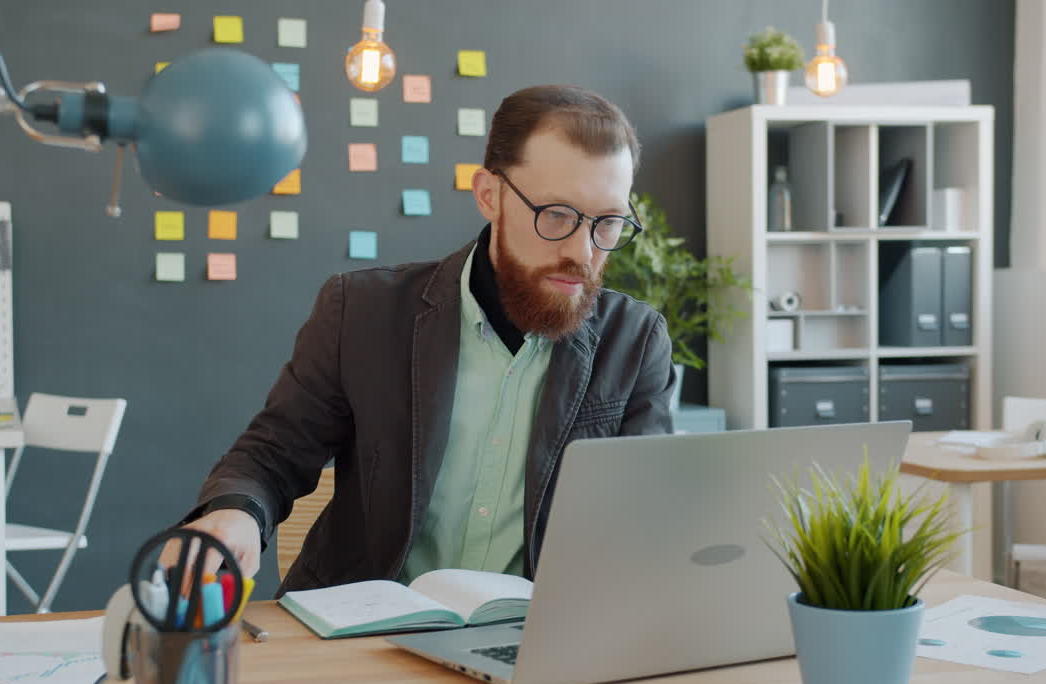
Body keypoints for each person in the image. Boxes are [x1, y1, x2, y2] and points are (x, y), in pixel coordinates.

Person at [176, 84, 676, 594]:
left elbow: (648, 518)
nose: (583, 252)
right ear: (490, 195)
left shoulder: (635, 342)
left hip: (533, 633)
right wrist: (236, 514)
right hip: (364, 626)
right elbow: (273, 454)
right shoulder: (361, 312)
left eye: (608, 223)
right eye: (557, 215)